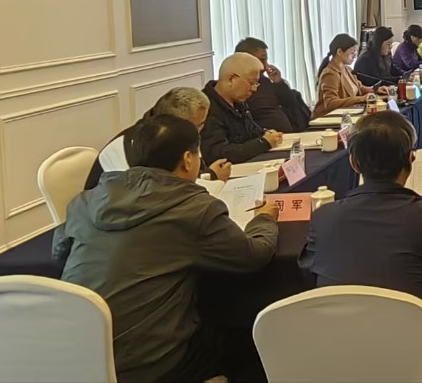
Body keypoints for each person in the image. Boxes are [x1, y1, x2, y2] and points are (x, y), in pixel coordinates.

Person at [55, 115, 278, 383]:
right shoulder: (194, 208)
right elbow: (253, 256)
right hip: (152, 363)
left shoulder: (84, 201)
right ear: (187, 160)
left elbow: (59, 254)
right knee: (248, 338)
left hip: (78, 359)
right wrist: (264, 219)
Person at [298, 111, 422, 383]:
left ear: (353, 163)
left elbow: (309, 271)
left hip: (340, 362)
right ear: (410, 158)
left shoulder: (323, 217)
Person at [86, 87, 231, 191]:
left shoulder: (167, 134)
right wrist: (210, 176)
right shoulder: (145, 145)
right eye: (197, 126)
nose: (199, 131)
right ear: (174, 123)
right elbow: (162, 190)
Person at [201, 53, 281, 165]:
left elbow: (253, 132)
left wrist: (267, 134)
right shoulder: (205, 107)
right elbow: (219, 154)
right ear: (231, 79)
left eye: (256, 83)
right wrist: (263, 142)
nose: (254, 89)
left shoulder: (238, 101)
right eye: (251, 83)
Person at [235, 37, 313, 132]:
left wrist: (278, 82)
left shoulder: (264, 81)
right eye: (262, 60)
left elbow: (290, 104)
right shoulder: (239, 87)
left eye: (266, 60)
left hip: (286, 133)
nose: (266, 65)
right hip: (265, 136)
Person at [314, 33, 385, 118]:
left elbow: (360, 88)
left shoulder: (347, 69)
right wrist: (362, 98)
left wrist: (375, 89)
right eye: (352, 52)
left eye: (355, 52)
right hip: (328, 118)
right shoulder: (330, 73)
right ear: (339, 52)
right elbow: (330, 103)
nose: (355, 56)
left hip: (347, 113)